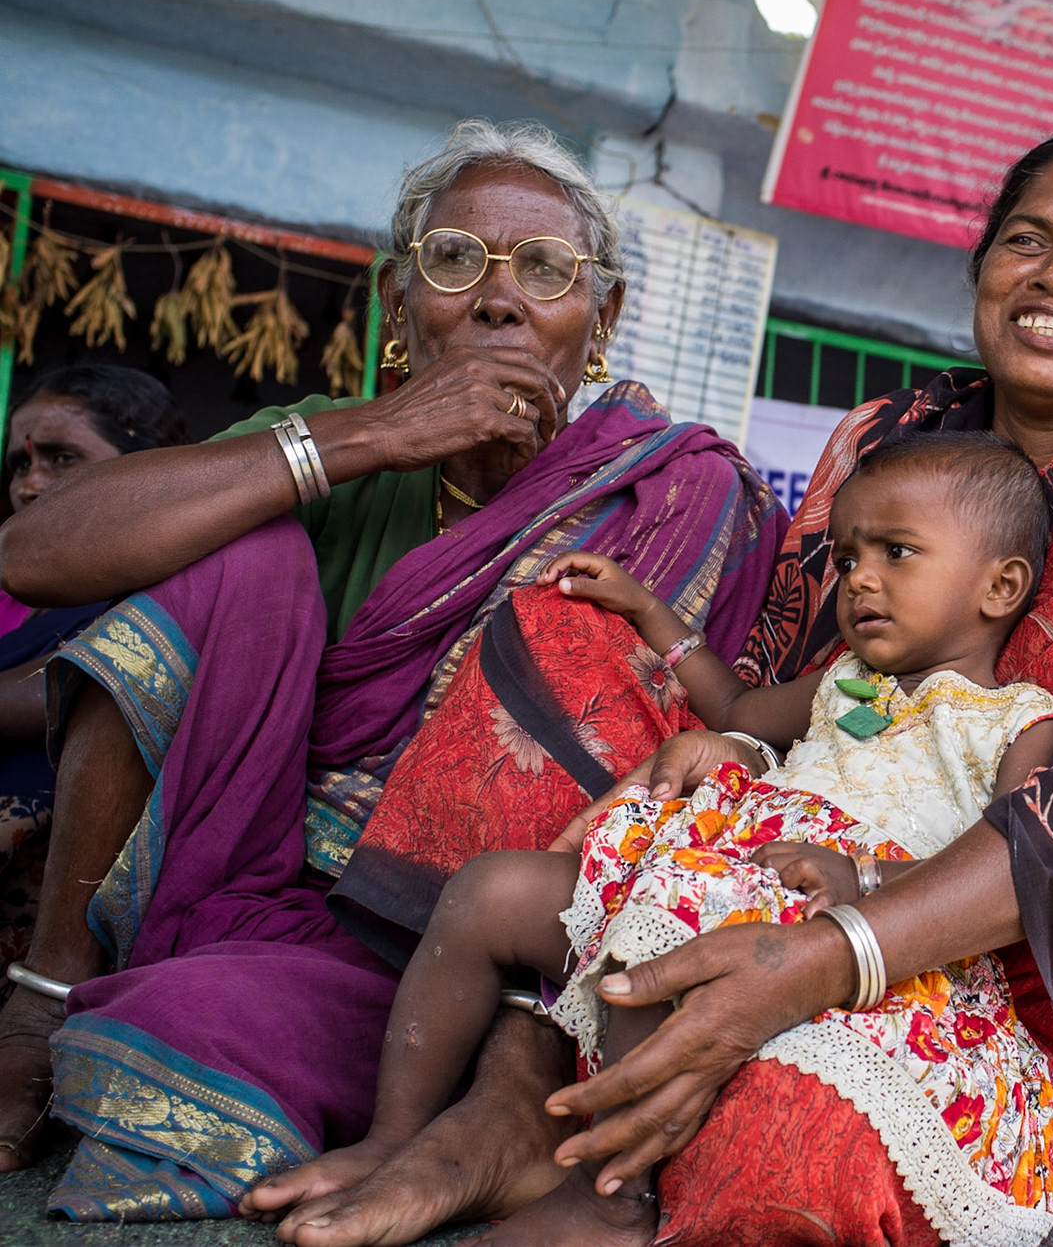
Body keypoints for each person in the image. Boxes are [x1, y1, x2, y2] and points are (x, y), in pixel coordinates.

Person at [237, 124, 1053, 1247]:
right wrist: (718, 758)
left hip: (1018, 993)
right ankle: (507, 1099)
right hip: (779, 866)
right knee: (571, 634)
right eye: (1026, 240)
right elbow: (790, 688)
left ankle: (596, 1156)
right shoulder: (886, 438)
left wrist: (821, 957)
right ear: (981, 271)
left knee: (796, 1137)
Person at [0, 119, 785, 1216]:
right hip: (228, 872)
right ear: (398, 306)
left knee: (179, 1033)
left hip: (447, 956)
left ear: (600, 320)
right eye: (455, 261)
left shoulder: (672, 491)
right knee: (246, 546)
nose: (500, 301)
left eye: (548, 271)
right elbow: (35, 554)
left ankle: (458, 1088)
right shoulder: (329, 439)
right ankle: (46, 990)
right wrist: (368, 437)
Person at [276, 432, 1053, 1245]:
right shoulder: (844, 682)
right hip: (719, 876)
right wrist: (648, 612)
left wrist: (862, 873)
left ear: (1000, 585)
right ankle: (392, 1134)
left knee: (661, 932)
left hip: (850, 942)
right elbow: (732, 710)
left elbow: (1005, 860)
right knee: (489, 892)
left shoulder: (1019, 718)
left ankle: (611, 1195)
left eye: (896, 552)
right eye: (846, 558)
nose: (860, 578)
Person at [0, 364, 188, 962]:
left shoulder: (153, 592)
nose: (30, 485)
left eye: (61, 459)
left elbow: (55, 692)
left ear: (145, 469)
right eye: (20, 465)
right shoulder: (13, 587)